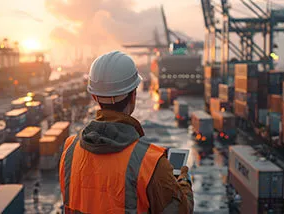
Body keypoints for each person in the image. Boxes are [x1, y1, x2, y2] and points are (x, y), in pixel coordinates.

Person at [59, 51, 194, 213]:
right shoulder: (151, 163)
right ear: (133, 95)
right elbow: (181, 211)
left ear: (94, 97)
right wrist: (184, 182)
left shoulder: (70, 151)